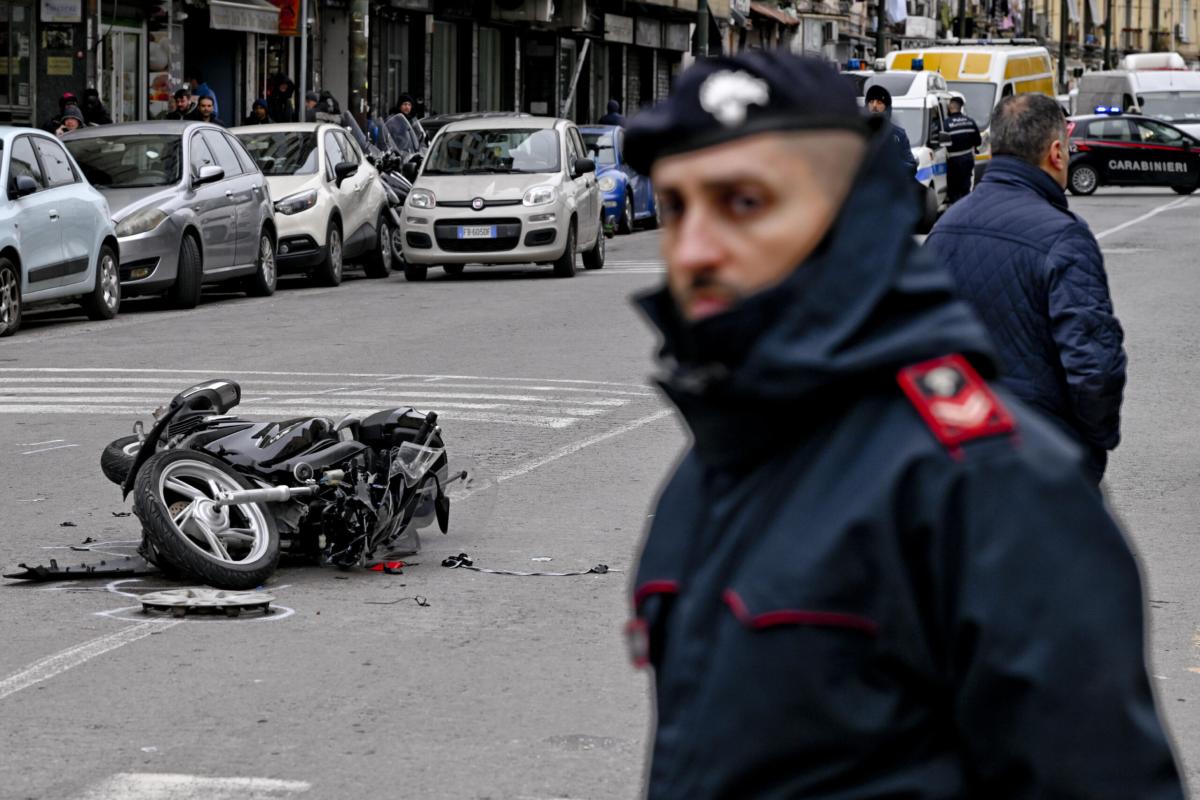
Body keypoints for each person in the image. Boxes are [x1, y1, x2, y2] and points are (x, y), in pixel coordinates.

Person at [621, 49, 1181, 799]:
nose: (694, 248)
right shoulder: (708, 470)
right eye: (677, 206)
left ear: (840, 215)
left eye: (744, 203)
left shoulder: (998, 488)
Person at [927, 94, 1126, 484]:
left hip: (958, 457)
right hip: (1044, 460)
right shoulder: (1064, 237)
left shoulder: (946, 226)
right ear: (1056, 153)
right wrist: (1091, 444)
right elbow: (1094, 368)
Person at [865, 83, 918, 176]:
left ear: (887, 107)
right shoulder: (856, 132)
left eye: (879, 102)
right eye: (871, 101)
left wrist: (891, 162)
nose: (874, 105)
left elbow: (912, 167)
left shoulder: (898, 134)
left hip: (891, 187)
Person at [943, 96, 981, 203]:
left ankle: (955, 210)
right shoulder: (970, 122)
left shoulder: (946, 125)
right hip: (967, 159)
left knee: (954, 189)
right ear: (960, 108)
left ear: (950, 108)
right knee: (965, 187)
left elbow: (942, 143)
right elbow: (978, 142)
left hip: (953, 161)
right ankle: (966, 209)